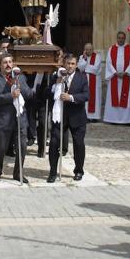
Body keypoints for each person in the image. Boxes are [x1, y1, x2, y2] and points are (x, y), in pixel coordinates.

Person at [0, 53, 34, 182]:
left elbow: (29, 94)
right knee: (1, 148)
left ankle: (18, 173)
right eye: (5, 62)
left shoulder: (21, 78)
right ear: (0, 65)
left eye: (10, 62)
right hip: (3, 120)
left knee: (22, 147)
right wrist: (10, 95)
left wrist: (19, 84)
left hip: (20, 119)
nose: (8, 65)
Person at [47, 54, 89, 183]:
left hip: (77, 117)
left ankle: (78, 170)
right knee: (54, 143)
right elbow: (46, 93)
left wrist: (70, 97)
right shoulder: (56, 76)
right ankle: (53, 172)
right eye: (68, 63)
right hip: (60, 116)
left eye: (72, 64)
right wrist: (56, 86)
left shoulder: (82, 78)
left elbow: (86, 96)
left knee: (78, 144)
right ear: (63, 64)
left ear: (76, 65)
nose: (70, 66)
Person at [103, 31, 130, 125]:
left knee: (126, 98)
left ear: (125, 38)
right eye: (119, 38)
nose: (121, 39)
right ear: (117, 38)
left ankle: (127, 120)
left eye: (122, 38)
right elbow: (109, 62)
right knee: (113, 97)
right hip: (114, 77)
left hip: (126, 77)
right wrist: (115, 72)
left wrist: (126, 72)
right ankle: (112, 119)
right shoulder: (112, 48)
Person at [78, 43, 104, 122]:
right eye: (87, 49)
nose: (88, 51)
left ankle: (94, 117)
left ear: (93, 49)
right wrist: (85, 60)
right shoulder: (81, 57)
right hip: (84, 81)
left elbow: (95, 69)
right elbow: (80, 68)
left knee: (94, 98)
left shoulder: (97, 57)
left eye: (90, 49)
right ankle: (85, 116)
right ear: (84, 50)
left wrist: (85, 67)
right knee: (85, 99)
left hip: (94, 82)